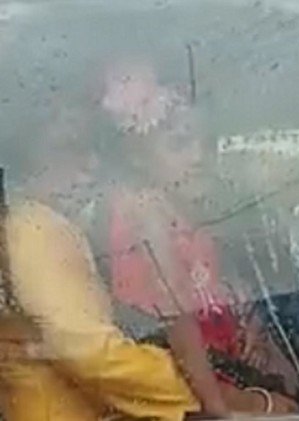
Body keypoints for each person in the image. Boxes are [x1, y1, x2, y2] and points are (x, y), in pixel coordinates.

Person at [99, 60, 299, 415]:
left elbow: (215, 288)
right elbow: (175, 314)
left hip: (223, 371)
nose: (199, 156)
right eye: (180, 144)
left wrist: (252, 329)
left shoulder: (191, 212)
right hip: (197, 387)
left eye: (208, 144)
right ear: (137, 155)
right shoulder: (146, 209)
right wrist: (222, 406)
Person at [0, 107, 203, 420]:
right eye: (71, 148)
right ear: (29, 156)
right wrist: (195, 387)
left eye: (93, 148)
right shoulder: (35, 228)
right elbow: (89, 352)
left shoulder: (36, 224)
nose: (92, 164)